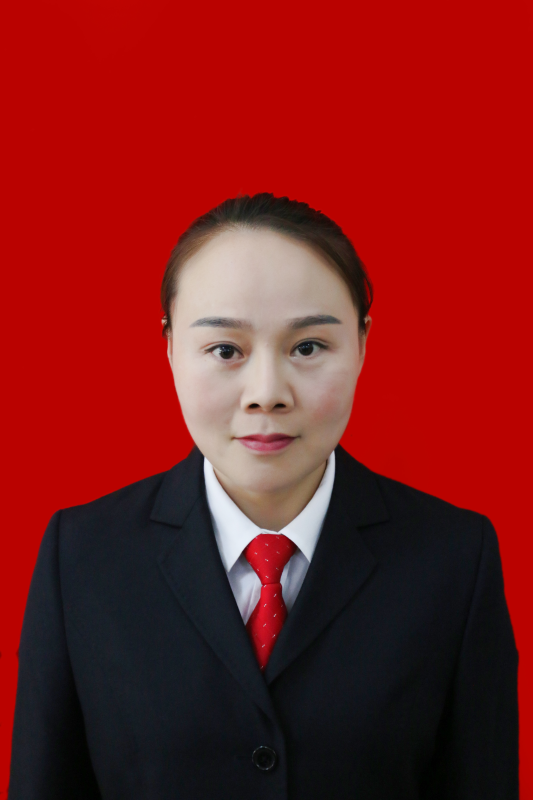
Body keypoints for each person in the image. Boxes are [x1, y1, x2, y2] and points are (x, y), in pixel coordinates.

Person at [9, 193, 518, 799]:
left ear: (362, 342)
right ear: (169, 346)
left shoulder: (455, 559)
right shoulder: (82, 557)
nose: (267, 393)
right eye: (226, 350)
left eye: (308, 347)